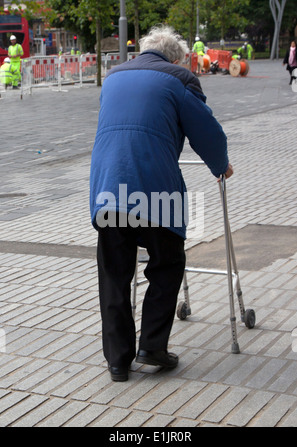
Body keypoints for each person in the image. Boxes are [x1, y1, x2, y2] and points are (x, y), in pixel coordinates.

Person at [90, 25, 233, 382]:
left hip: (108, 187)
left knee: (115, 274)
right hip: (156, 187)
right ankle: (152, 346)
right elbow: (208, 131)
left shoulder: (114, 77)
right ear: (176, 57)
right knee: (167, 263)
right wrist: (221, 166)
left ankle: (118, 362)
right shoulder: (179, 78)